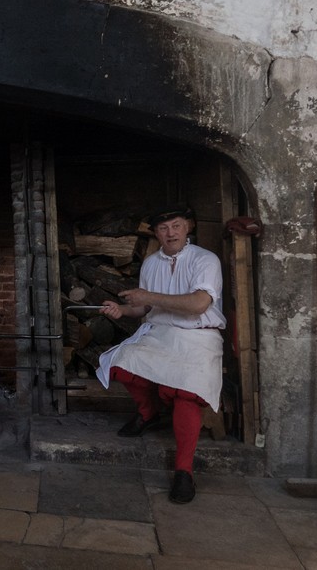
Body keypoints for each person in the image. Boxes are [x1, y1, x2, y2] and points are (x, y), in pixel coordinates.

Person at [95, 205, 226, 504]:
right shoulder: (151, 263)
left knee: (185, 393)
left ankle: (184, 472)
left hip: (198, 337)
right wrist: (122, 311)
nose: (171, 233)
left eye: (176, 226)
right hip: (161, 334)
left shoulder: (205, 260)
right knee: (119, 365)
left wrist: (148, 298)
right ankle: (149, 412)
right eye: (164, 229)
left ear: (187, 228)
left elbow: (198, 304)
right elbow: (144, 309)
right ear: (156, 233)